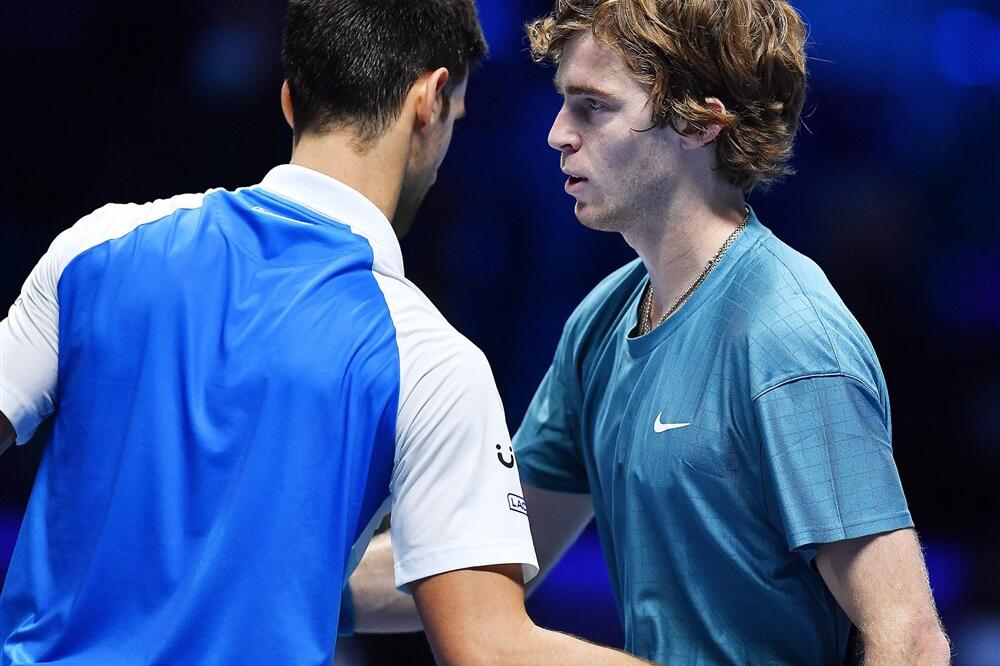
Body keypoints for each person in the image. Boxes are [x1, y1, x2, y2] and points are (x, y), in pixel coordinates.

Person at [0, 1, 652, 664]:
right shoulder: (429, 360)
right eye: (455, 118)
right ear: (429, 102)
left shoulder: (96, 248)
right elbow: (489, 649)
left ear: (291, 100)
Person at [346, 0, 952, 664]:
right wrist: (288, 579)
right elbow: (469, 570)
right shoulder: (601, 321)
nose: (557, 134)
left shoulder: (789, 340)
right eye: (563, 102)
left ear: (698, 123)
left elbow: (911, 639)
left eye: (592, 107)